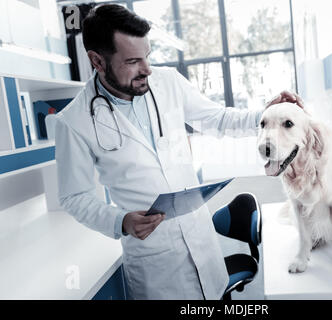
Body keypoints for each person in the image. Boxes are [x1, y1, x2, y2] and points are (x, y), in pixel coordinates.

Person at [55, 4, 302, 300]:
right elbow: (74, 196)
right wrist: (120, 220)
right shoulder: (73, 121)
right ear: (97, 60)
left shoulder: (167, 81)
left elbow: (217, 119)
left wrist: (268, 113)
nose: (146, 69)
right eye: (133, 61)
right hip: (156, 262)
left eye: (147, 56)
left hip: (201, 241)